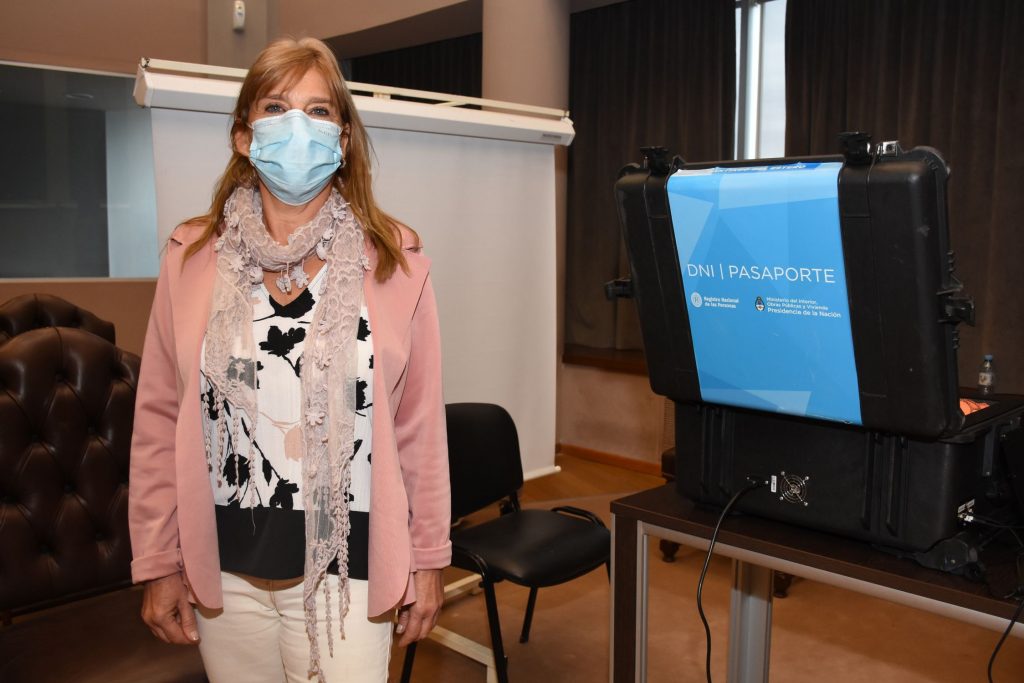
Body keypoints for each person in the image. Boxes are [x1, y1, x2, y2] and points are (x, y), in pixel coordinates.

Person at [128, 37, 451, 683]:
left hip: (350, 569)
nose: (297, 125)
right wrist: (158, 559)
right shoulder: (190, 257)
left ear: (344, 139)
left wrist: (428, 555)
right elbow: (159, 418)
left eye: (319, 110)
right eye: (276, 107)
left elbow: (418, 426)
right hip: (224, 566)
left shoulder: (395, 260)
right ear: (244, 135)